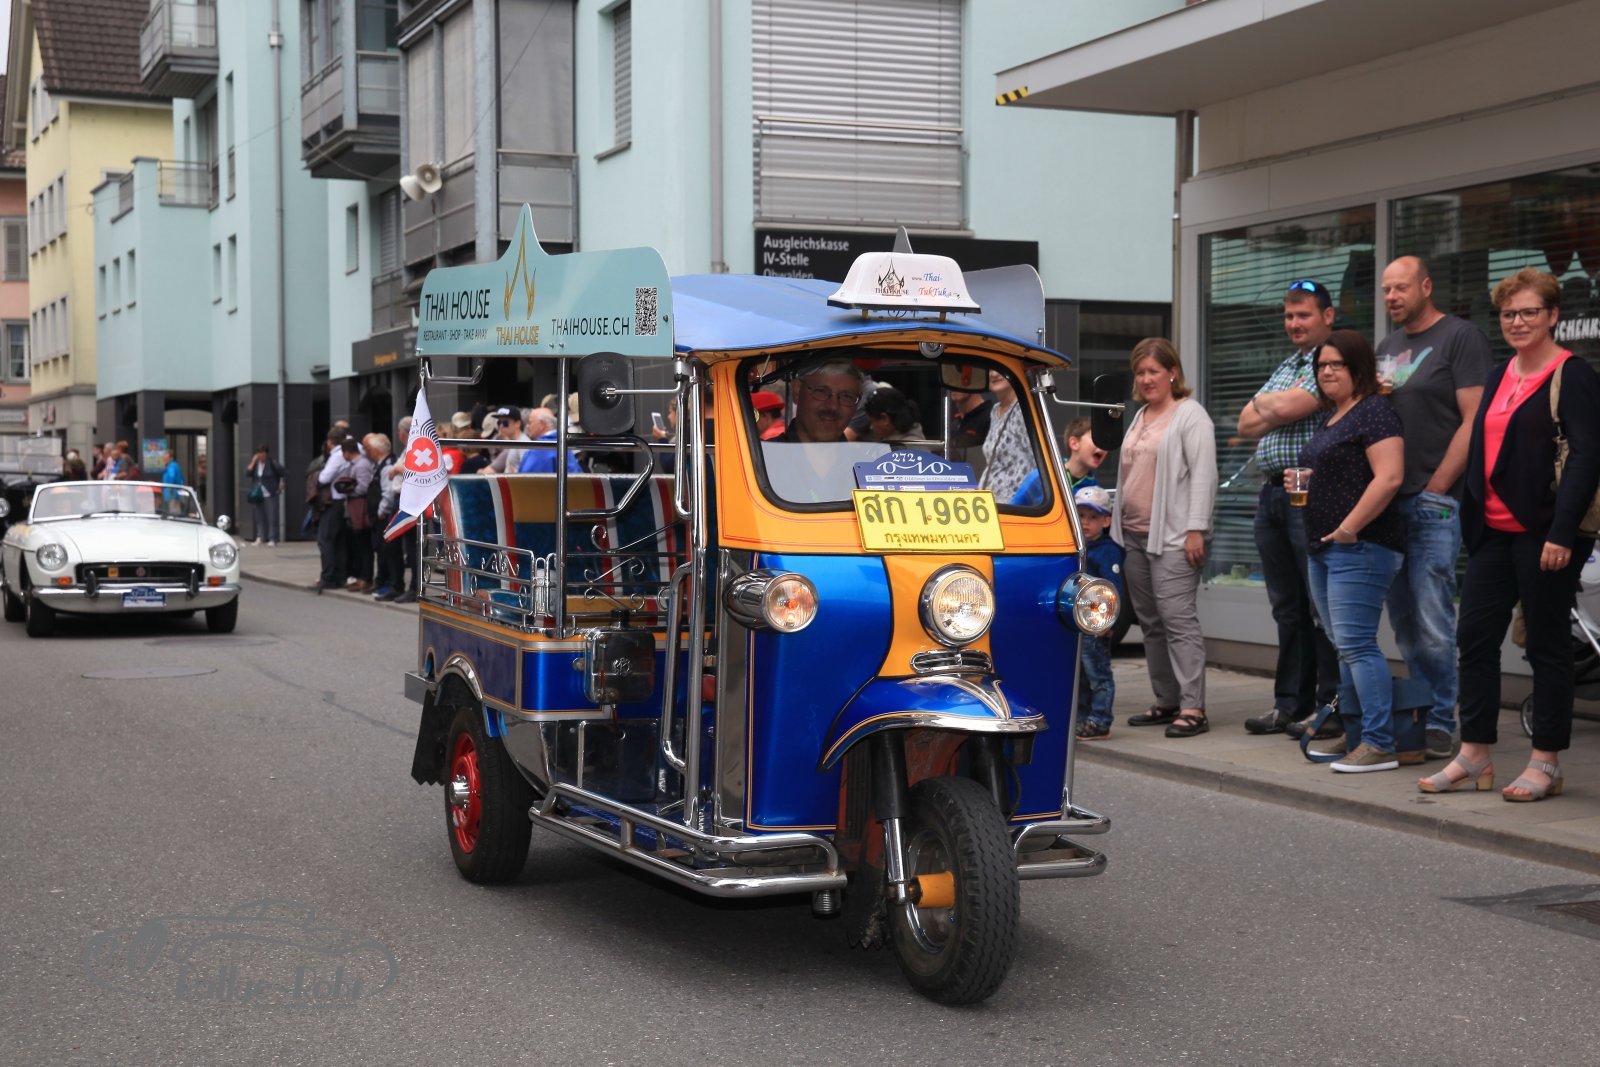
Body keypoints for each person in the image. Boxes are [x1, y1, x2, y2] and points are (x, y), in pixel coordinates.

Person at [1424, 268, 1600, 801]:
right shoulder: (1500, 373)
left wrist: (1562, 532)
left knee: (1546, 646)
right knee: (1474, 640)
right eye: (1508, 313)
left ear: (1553, 316)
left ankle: (1546, 760)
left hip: (1546, 534)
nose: (1518, 322)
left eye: (1529, 312)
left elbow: (1586, 458)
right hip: (1493, 534)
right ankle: (1474, 753)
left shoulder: (1573, 374)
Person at [1374, 256, 1492, 759]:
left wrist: (1438, 487)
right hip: (1388, 503)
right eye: (1386, 290)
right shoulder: (1387, 347)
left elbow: (1475, 418)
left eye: (1401, 288)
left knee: (1432, 619)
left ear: (1426, 286)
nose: (1391, 297)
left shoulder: (1461, 338)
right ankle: (1419, 714)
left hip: (1434, 502)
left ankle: (1443, 719)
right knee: (1403, 622)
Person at [1298, 330, 1407, 772]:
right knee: (1344, 646)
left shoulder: (1375, 410)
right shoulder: (1333, 417)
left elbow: (1390, 476)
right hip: (1324, 549)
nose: (1326, 372)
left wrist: (1348, 528)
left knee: (1358, 645)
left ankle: (1380, 742)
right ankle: (1358, 734)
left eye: (1336, 364)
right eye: (1321, 365)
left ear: (1358, 367)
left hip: (1360, 546)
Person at [1236, 279, 1340, 736]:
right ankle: (1289, 705)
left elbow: (1295, 405)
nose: (1294, 323)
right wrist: (1273, 405)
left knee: (1320, 605)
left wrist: (1269, 405)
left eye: (1304, 315)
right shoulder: (1290, 364)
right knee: (1287, 608)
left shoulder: (1331, 360)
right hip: (1273, 493)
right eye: (1289, 316)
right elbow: (1245, 423)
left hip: (1311, 493)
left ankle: (1329, 705)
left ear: (1327, 316)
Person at [1112, 338, 1217, 738]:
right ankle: (1167, 701)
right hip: (1135, 536)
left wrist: (1196, 529)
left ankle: (1193, 708)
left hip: (1174, 538)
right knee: (1151, 624)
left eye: (1154, 371)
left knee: (1178, 620)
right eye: (1140, 372)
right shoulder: (1140, 415)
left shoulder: (1190, 415)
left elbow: (1204, 477)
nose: (1146, 379)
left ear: (1173, 372)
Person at [1073, 484, 1124, 741]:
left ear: (1106, 521)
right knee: (1080, 676)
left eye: (1093, 517)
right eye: (1081, 515)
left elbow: (1113, 590)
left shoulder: (1107, 551)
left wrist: (1108, 622)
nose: (1085, 522)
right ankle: (1083, 718)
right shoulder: (1076, 548)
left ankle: (1101, 720)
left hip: (1096, 626)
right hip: (1077, 624)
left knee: (1098, 675)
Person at [1011, 416, 1105, 507]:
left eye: (1105, 441)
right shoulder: (1042, 476)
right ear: (1074, 443)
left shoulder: (1095, 491)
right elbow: (1014, 509)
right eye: (1096, 438)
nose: (1103, 446)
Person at [978, 367, 1034, 502]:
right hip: (990, 501)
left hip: (1014, 504)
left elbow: (1037, 463)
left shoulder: (1023, 409)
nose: (994, 374)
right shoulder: (995, 410)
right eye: (990, 369)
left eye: (1000, 369)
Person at [783, 361, 864, 443]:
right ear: (797, 391)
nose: (833, 406)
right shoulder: (775, 450)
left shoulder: (865, 451)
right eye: (821, 391)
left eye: (846, 396)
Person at [518, 409, 583, 473]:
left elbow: (526, 478)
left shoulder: (539, 450)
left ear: (542, 424)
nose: (527, 426)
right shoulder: (563, 444)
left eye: (530, 422)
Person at [245, 445, 284, 546]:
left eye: (262, 453)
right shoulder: (256, 464)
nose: (260, 455)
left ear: (266, 454)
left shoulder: (272, 463)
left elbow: (283, 473)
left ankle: (272, 538)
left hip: (270, 493)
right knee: (259, 516)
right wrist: (253, 461)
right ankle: (260, 536)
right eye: (258, 453)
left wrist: (282, 483)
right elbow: (248, 473)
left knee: (272, 517)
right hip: (258, 494)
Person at [860, 386, 924, 445]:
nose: (871, 427)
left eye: (871, 422)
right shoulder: (890, 439)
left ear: (885, 419)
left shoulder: (909, 448)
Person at [488, 406, 533, 473]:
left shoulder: (523, 443)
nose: (501, 426)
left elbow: (528, 471)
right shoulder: (514, 442)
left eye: (505, 423)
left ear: (517, 424)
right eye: (499, 423)